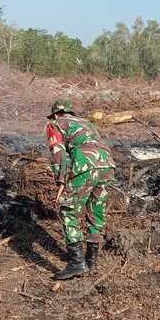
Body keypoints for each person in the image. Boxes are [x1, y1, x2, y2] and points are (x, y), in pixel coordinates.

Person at [45, 99, 116, 280]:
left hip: (86, 163)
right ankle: (90, 260)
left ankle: (77, 263)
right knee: (96, 209)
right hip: (107, 163)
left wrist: (60, 182)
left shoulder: (55, 124)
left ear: (55, 114)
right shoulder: (87, 123)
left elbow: (58, 154)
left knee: (68, 209)